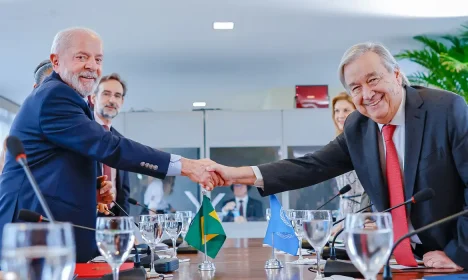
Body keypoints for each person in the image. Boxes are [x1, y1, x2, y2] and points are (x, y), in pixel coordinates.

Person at [204, 42, 468, 270]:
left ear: (397, 75)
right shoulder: (358, 126)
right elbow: (311, 166)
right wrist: (234, 174)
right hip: (399, 259)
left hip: (452, 258)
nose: (367, 94)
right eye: (355, 87)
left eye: (373, 79)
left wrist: (461, 254)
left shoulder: (446, 110)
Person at [0, 27, 220, 263]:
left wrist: (90, 188)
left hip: (52, 232)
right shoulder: (55, 95)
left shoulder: (70, 99)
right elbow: (110, 147)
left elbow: (54, 163)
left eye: (98, 59)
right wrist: (185, 166)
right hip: (32, 234)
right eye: (81, 57)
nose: (92, 66)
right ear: (55, 61)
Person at [330, 92, 372, 236]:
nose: (340, 115)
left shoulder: (365, 144)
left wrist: (365, 219)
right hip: (343, 220)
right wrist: (340, 222)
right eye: (336, 110)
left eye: (346, 110)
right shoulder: (339, 145)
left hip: (364, 222)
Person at [90, 73, 130, 217]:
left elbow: (123, 191)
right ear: (93, 98)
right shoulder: (81, 133)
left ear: (122, 101)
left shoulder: (121, 140)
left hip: (114, 218)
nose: (112, 100)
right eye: (106, 94)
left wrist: (126, 225)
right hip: (87, 216)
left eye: (117, 95)